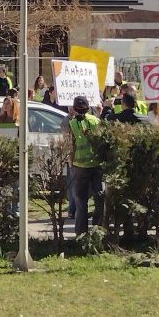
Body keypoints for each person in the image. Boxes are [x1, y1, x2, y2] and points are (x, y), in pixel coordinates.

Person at [67, 96, 102, 236]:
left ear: (75, 108)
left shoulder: (72, 124)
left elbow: (69, 144)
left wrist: (70, 162)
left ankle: (81, 233)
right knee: (99, 197)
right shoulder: (95, 121)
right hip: (95, 164)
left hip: (79, 165)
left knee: (81, 202)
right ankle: (98, 230)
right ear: (88, 107)